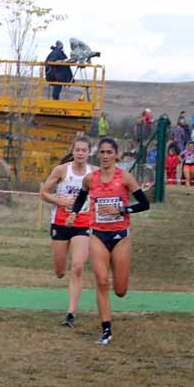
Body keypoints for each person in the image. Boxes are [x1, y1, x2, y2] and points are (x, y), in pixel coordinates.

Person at [67, 137, 150, 345]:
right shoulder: (90, 179)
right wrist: (74, 213)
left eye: (109, 152)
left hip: (120, 236)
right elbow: (80, 198)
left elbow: (144, 203)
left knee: (120, 290)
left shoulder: (125, 178)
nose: (105, 156)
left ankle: (119, 273)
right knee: (102, 281)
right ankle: (106, 330)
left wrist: (121, 209)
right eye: (102, 152)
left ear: (116, 155)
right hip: (97, 234)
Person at [41, 137, 94, 329]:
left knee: (78, 266)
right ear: (73, 152)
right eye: (77, 150)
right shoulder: (62, 170)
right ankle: (61, 272)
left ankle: (70, 313)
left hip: (83, 222)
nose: (80, 153)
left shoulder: (94, 173)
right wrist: (60, 201)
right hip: (60, 222)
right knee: (60, 271)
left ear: (89, 153)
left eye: (84, 150)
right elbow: (44, 193)